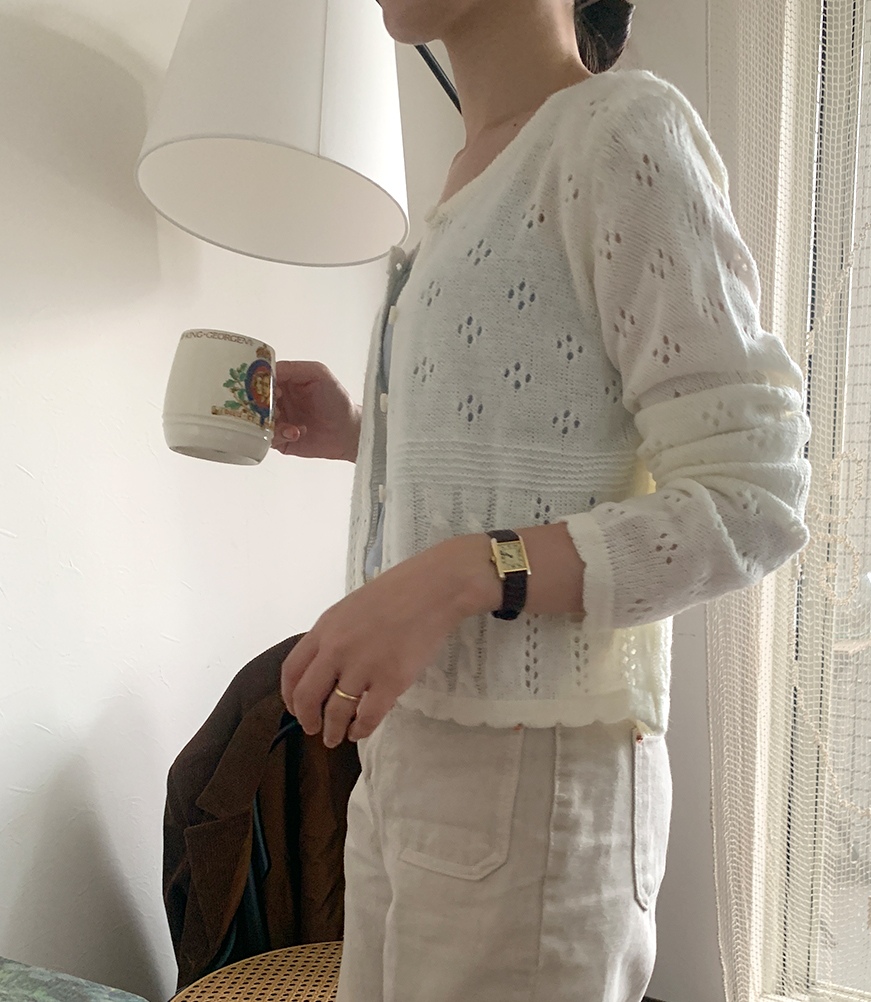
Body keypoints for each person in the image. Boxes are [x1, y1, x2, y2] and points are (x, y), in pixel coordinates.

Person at [272, 0, 811, 999]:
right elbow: (549, 441)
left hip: (539, 777)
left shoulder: (618, 131)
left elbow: (752, 496)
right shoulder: (469, 175)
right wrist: (366, 435)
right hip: (412, 750)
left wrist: (460, 574)